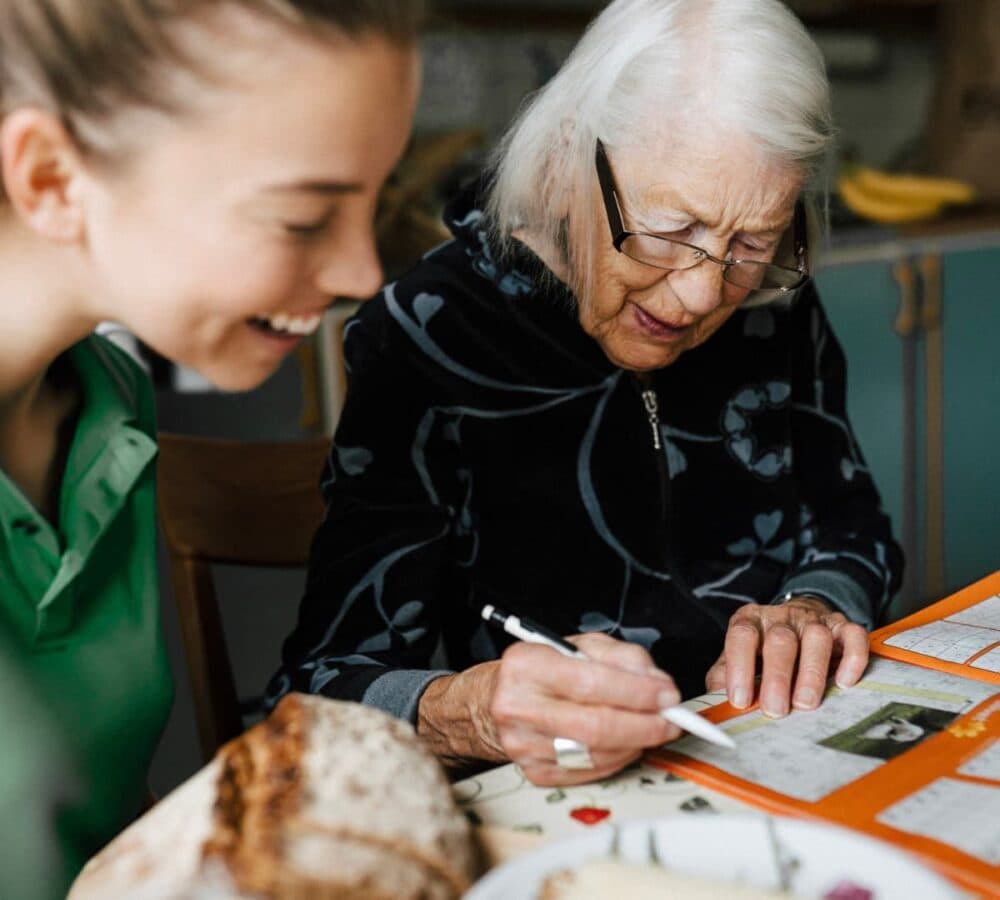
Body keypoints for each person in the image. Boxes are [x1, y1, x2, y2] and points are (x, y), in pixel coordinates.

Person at [268, 0, 903, 787]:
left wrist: (814, 605)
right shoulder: (428, 332)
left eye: (752, 243)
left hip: (780, 753)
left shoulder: (774, 302)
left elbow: (855, 527)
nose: (705, 294)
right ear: (571, 152)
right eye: (671, 229)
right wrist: (474, 711)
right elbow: (318, 692)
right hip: (562, 794)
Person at [0, 2, 420, 896]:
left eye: (371, 205)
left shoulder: (111, 399)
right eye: (306, 218)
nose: (361, 276)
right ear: (50, 178)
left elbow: (95, 828)